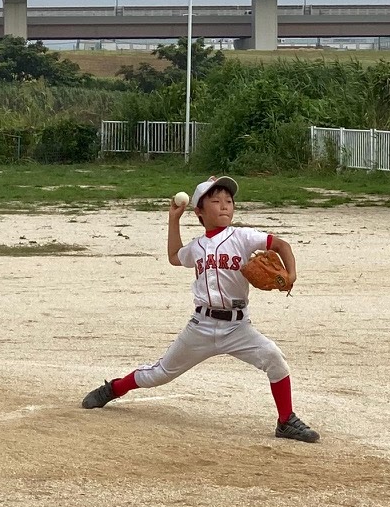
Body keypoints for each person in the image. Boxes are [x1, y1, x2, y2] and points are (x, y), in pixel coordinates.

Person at [80, 175, 320, 441]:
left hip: (238, 327)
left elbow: (281, 245)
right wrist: (174, 219)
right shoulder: (196, 247)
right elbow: (174, 257)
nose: (224, 206)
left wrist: (292, 274)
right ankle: (113, 388)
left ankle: (286, 421)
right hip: (201, 327)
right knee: (160, 373)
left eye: (228, 201)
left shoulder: (242, 236)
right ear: (200, 212)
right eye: (215, 201)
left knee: (274, 358)